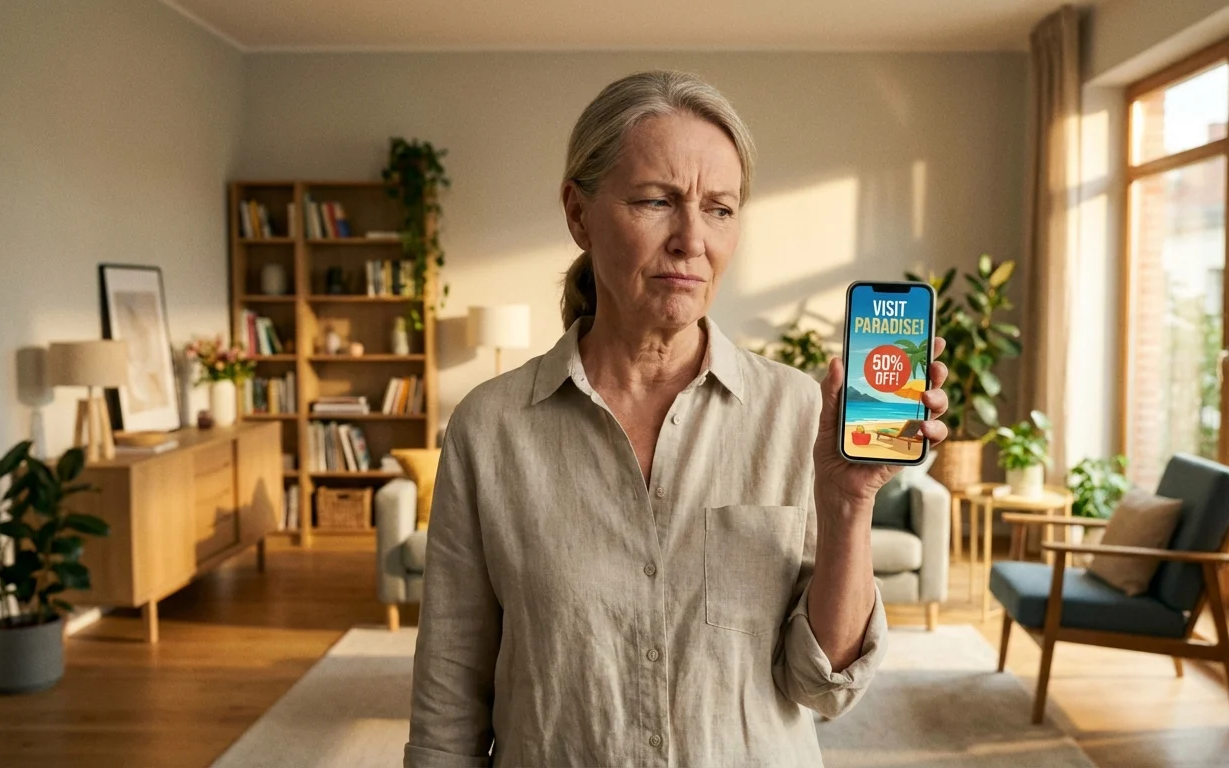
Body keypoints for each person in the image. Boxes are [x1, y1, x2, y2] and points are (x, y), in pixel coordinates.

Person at [405, 69, 950, 768]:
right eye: (657, 201)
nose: (692, 239)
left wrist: (848, 504)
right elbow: (448, 699)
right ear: (579, 214)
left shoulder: (797, 412)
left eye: (720, 209)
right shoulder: (490, 427)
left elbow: (825, 686)